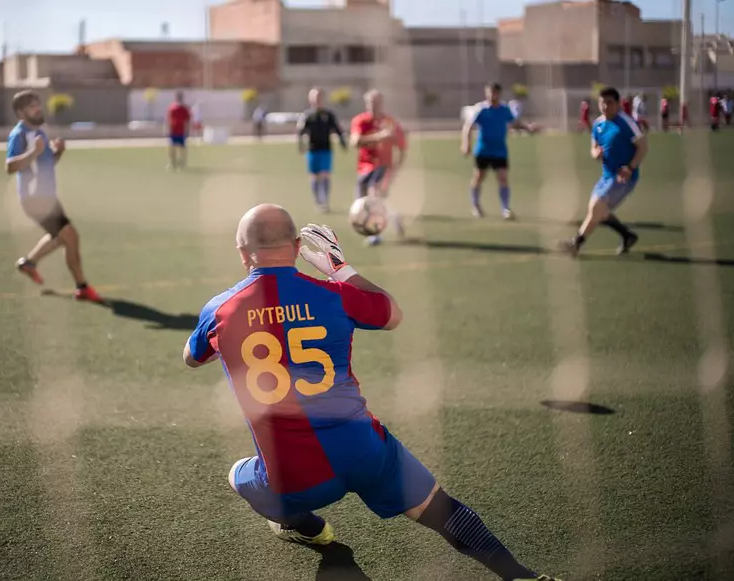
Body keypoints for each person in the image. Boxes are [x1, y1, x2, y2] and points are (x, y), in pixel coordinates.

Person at [183, 203, 562, 581]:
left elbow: (192, 358)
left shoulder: (220, 309)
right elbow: (391, 313)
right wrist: (340, 269)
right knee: (441, 510)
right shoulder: (334, 294)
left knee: (238, 475)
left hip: (293, 474)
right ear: (298, 246)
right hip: (365, 451)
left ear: (241, 252)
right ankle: (521, 576)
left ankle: (310, 528)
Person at [5, 90, 101, 302]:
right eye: (32, 106)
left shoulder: (40, 132)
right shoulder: (19, 134)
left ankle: (29, 263)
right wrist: (33, 153)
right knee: (71, 237)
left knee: (63, 238)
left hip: (48, 199)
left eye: (38, 104)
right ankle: (82, 287)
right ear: (21, 113)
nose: (38, 108)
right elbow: (10, 167)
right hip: (36, 201)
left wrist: (58, 152)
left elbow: (45, 164)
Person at [558, 87, 648, 257]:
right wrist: (595, 154)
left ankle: (576, 244)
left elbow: (643, 147)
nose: (606, 106)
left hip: (623, 178)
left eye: (609, 103)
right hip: (606, 176)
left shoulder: (627, 123)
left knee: (597, 207)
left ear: (618, 103)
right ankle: (627, 235)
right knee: (599, 211)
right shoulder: (598, 124)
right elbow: (593, 148)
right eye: (602, 103)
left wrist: (630, 167)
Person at [461, 82, 537, 220]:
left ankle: (505, 208)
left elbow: (515, 123)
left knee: (503, 178)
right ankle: (475, 205)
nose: (491, 95)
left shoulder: (504, 109)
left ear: (498, 93)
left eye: (494, 92)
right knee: (478, 177)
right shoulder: (481, 109)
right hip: (483, 150)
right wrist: (466, 144)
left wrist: (528, 128)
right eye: (489, 92)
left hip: (500, 151)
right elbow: (468, 126)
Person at [349, 89, 408, 246]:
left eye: (377, 102)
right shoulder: (361, 121)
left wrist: (397, 167)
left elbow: (402, 146)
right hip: (364, 167)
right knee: (361, 201)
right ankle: (394, 216)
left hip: (383, 166)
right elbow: (355, 142)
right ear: (367, 103)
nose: (374, 106)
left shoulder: (390, 122)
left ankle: (375, 234)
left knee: (373, 197)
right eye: (371, 102)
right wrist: (380, 136)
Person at [297, 87, 347, 213]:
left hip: (326, 149)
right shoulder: (307, 115)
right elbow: (300, 132)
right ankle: (317, 200)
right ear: (310, 99)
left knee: (325, 175)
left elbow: (337, 129)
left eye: (319, 97)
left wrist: (342, 142)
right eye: (314, 97)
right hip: (312, 150)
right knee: (315, 176)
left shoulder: (328, 115)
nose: (317, 100)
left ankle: (325, 200)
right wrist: (301, 145)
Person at [166, 91, 191, 169]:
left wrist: (187, 131)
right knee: (172, 147)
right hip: (174, 130)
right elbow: (169, 120)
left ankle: (182, 163)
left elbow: (187, 121)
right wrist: (169, 129)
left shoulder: (184, 109)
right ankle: (173, 163)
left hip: (181, 130)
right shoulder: (172, 108)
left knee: (182, 148)